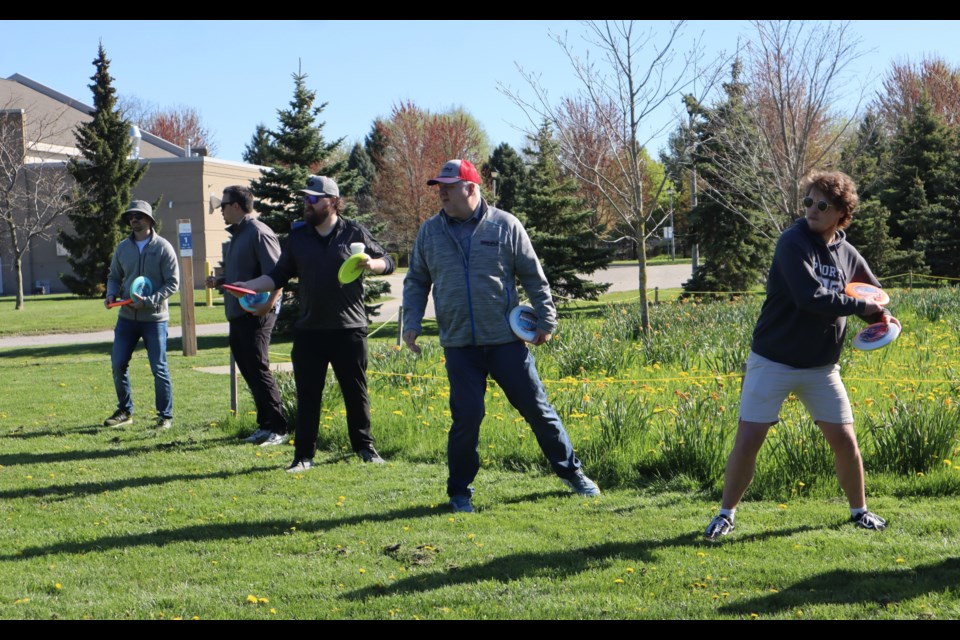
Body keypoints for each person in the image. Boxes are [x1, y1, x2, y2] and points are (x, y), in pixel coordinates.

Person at [704, 170, 897, 541]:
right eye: (808, 200)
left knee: (845, 441)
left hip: (821, 367)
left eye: (822, 204)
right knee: (749, 440)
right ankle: (726, 514)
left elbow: (873, 294)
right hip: (772, 360)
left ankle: (860, 511)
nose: (812, 209)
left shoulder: (847, 253)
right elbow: (809, 297)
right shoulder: (792, 242)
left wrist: (882, 316)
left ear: (842, 213)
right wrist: (860, 305)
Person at [402, 159, 601, 513]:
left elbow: (533, 276)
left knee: (538, 410)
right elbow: (417, 280)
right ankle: (459, 493)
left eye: (449, 185)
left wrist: (547, 320)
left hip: (506, 342)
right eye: (439, 186)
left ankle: (572, 473)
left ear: (471, 188)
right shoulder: (429, 232)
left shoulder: (506, 225)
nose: (442, 192)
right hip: (460, 344)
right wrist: (411, 322)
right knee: (467, 418)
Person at [228, 175, 394, 472]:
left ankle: (364, 448)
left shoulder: (353, 232)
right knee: (308, 396)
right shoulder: (298, 238)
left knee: (356, 393)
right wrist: (248, 285)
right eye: (305, 198)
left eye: (313, 198)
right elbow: (277, 276)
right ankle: (303, 456)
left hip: (349, 329)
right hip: (309, 331)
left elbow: (388, 261)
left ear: (332, 201)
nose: (307, 203)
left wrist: (371, 263)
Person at [207, 185, 288, 446]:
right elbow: (243, 277)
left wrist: (268, 306)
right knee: (249, 370)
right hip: (238, 315)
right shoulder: (238, 236)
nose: (220, 210)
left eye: (224, 205)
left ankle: (279, 428)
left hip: (259, 313)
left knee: (258, 368)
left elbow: (277, 276)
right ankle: (264, 426)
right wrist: (221, 280)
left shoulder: (259, 232)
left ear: (237, 206)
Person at [103, 200, 180, 430]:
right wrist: (111, 294)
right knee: (118, 364)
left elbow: (172, 283)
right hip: (126, 318)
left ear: (149, 220)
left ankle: (165, 416)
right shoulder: (122, 248)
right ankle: (125, 411)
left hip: (154, 320)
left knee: (159, 367)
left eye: (139, 216)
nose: (134, 219)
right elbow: (114, 276)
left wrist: (150, 301)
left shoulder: (163, 247)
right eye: (131, 216)